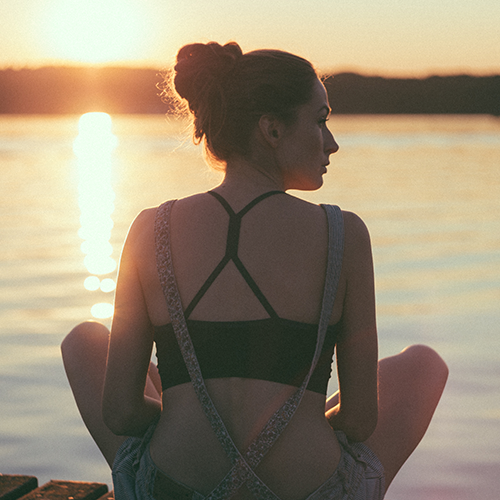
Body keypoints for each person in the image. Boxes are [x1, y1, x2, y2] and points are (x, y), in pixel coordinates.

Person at [61, 41, 448, 500]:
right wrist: (299, 421)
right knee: (424, 365)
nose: (332, 142)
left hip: (174, 489)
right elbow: (361, 421)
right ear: (271, 129)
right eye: (320, 120)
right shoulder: (343, 233)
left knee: (84, 339)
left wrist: (181, 417)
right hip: (308, 490)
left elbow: (122, 414)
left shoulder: (151, 228)